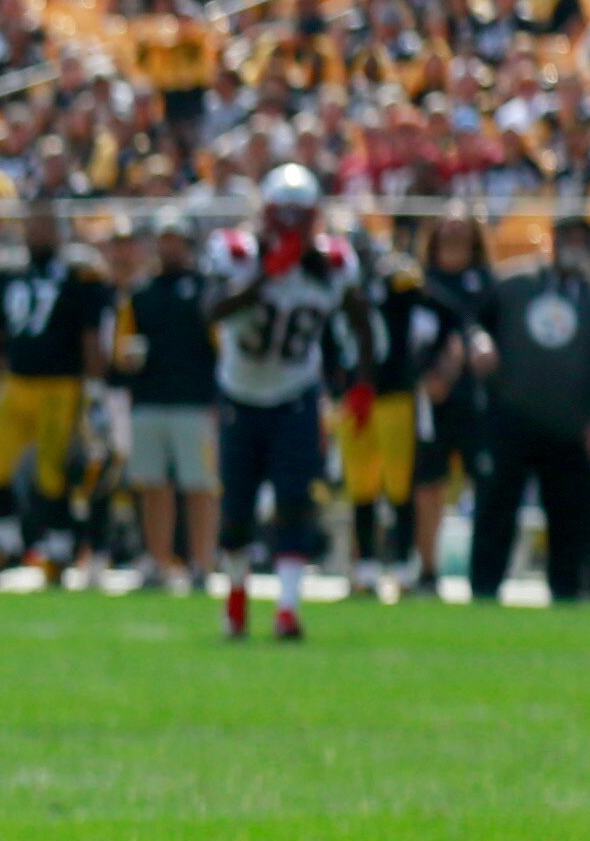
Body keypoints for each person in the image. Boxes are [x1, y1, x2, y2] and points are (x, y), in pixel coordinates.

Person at [201, 164, 354, 640]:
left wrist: (360, 381)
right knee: (236, 510)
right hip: (240, 394)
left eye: (298, 216)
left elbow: (361, 321)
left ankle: (287, 607)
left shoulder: (332, 264)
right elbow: (211, 309)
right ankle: (237, 596)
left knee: (294, 500)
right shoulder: (237, 253)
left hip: (295, 394)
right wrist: (264, 277)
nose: (290, 226)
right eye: (282, 215)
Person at [468, 218, 590, 606]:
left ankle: (565, 593)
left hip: (569, 426)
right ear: (553, 242)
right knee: (496, 507)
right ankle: (484, 590)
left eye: (582, 241)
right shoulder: (513, 284)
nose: (574, 247)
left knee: (568, 518)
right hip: (512, 416)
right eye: (568, 238)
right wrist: (478, 340)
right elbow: (474, 318)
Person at [0, 203, 111, 584]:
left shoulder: (78, 273)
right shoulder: (9, 272)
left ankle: (58, 553)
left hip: (60, 385)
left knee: (51, 477)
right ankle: (5, 544)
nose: (39, 232)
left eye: (46, 225)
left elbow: (89, 334)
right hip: (16, 382)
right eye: (33, 224)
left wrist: (95, 388)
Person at [327, 233, 459, 604]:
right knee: (361, 488)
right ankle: (365, 568)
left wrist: (428, 364)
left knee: (399, 487)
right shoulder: (330, 291)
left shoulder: (395, 285)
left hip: (394, 398)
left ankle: (403, 567)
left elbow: (446, 313)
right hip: (353, 400)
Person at [116, 215, 222, 592]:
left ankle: (201, 563)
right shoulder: (141, 293)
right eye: (165, 239)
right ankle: (157, 562)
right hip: (149, 399)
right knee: (152, 486)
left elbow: (219, 347)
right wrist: (127, 359)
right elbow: (121, 346)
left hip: (194, 401)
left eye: (176, 239)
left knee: (200, 485)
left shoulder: (206, 290)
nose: (169, 247)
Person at [413, 211, 501, 595]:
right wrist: (429, 375)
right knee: (428, 484)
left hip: (476, 398)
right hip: (433, 400)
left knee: (483, 483)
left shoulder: (488, 286)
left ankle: (482, 573)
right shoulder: (421, 285)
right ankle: (428, 567)